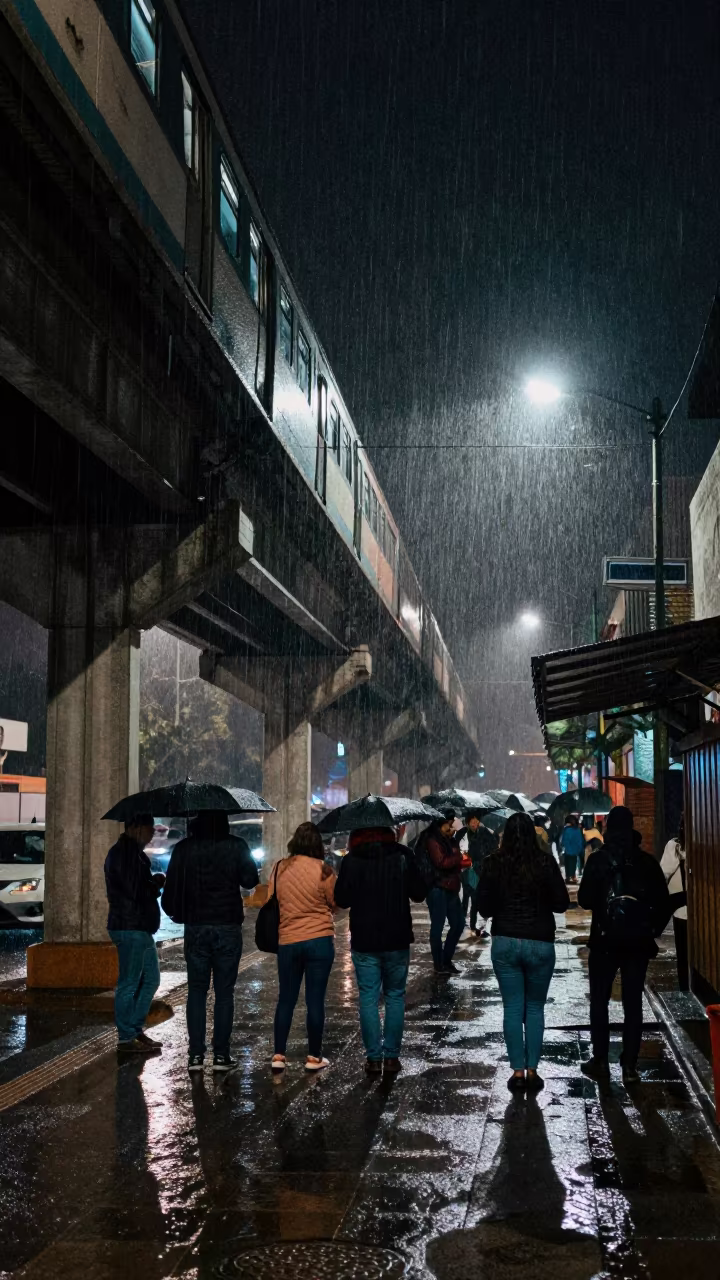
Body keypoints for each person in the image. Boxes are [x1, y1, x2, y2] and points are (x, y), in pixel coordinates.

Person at [477, 812, 570, 1091]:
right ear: (533, 834)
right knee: (535, 1007)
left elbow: (484, 908)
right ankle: (533, 1070)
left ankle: (517, 1071)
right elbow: (561, 903)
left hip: (505, 941)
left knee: (512, 1007)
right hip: (540, 941)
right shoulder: (544, 862)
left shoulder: (493, 863)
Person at [578, 805, 670, 1084]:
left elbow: (584, 900)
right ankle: (630, 1066)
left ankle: (600, 1061)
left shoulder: (598, 861)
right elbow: (663, 903)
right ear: (631, 829)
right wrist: (650, 929)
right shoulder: (646, 862)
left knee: (600, 1002)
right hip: (637, 944)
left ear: (608, 828)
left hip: (605, 941)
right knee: (633, 1003)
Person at [162, 811, 259, 1072]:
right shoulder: (236, 845)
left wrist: (176, 910)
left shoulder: (184, 848)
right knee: (224, 993)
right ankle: (221, 1056)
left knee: (196, 991)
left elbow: (170, 890)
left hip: (196, 927)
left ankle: (195, 1056)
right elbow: (251, 880)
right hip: (227, 926)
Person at [334, 823, 427, 1074]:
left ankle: (373, 1058)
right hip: (396, 937)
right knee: (395, 996)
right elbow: (419, 894)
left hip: (365, 939)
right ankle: (392, 1057)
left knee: (368, 998)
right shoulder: (403, 856)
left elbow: (341, 899)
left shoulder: (352, 860)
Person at [271, 822, 337, 1073]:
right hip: (319, 940)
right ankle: (314, 1057)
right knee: (315, 1000)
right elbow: (335, 902)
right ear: (317, 844)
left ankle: (278, 1054)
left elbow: (272, 900)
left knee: (286, 998)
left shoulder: (279, 868)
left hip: (288, 941)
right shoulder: (325, 870)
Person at [104, 812, 164, 1054]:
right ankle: (126, 1037)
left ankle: (134, 1029)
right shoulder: (125, 854)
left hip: (138, 926)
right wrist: (155, 884)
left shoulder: (131, 854)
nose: (151, 836)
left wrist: (151, 882)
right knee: (129, 983)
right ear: (137, 828)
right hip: (129, 926)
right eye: (150, 830)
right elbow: (134, 890)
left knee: (151, 979)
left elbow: (136, 886)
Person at [417, 810, 464, 974]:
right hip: (437, 888)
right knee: (437, 927)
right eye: (449, 824)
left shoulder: (447, 839)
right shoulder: (432, 839)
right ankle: (439, 964)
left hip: (451, 887)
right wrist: (458, 857)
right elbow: (441, 862)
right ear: (441, 823)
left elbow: (453, 859)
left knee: (458, 924)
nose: (451, 826)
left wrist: (453, 842)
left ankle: (446, 959)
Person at [457, 811, 495, 938]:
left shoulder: (484, 833)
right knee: (466, 896)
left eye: (476, 820)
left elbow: (492, 846)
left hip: (477, 870)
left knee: (474, 897)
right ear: (467, 822)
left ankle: (472, 925)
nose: (474, 823)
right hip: (464, 869)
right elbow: (454, 847)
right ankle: (462, 921)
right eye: (472, 821)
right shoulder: (462, 833)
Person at [661, 815, 688, 991]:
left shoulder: (675, 846)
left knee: (684, 953)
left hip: (681, 907)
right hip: (704, 906)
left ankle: (686, 986)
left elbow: (664, 872)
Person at [559, 813, 584, 883]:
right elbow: (580, 840)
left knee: (568, 864)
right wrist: (580, 849)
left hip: (568, 851)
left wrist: (563, 847)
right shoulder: (577, 830)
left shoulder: (566, 830)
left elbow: (564, 841)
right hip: (575, 851)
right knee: (574, 863)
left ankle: (568, 877)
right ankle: (573, 876)